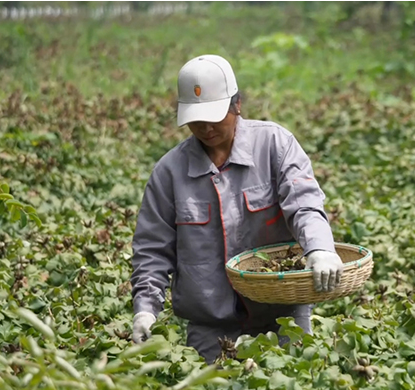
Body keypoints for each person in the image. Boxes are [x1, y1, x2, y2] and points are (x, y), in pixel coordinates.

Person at [129, 54, 344, 363]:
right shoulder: (169, 171)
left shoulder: (274, 145)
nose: (205, 127)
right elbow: (152, 249)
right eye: (195, 118)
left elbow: (305, 205)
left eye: (215, 116)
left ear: (237, 105)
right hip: (210, 325)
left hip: (282, 315)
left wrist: (320, 248)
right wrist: (145, 310)